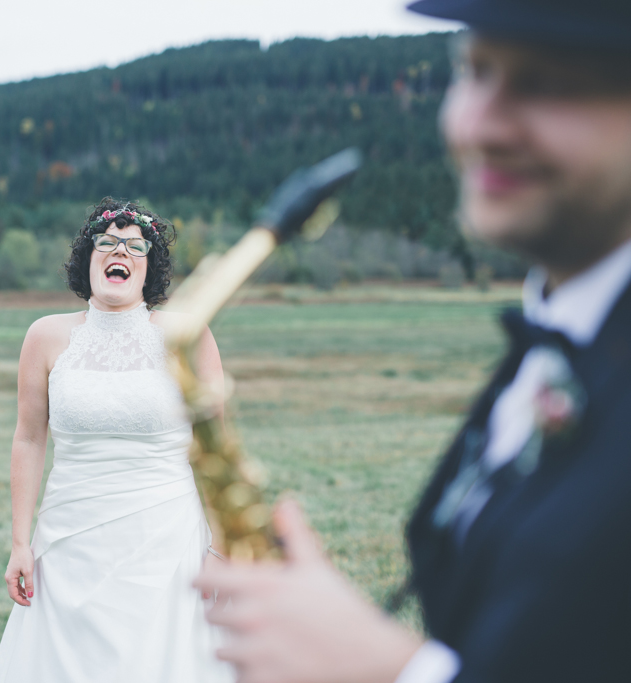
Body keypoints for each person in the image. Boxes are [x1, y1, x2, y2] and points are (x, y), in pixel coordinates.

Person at [195, 1, 631, 682]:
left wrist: (393, 670)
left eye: (546, 83)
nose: (479, 125)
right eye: (475, 71)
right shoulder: (559, 331)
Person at [0, 198, 234, 682]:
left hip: (167, 541)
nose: (119, 251)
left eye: (134, 246)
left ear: (148, 268)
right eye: (107, 242)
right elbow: (29, 439)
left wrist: (222, 546)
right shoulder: (45, 336)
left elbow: (216, 448)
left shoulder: (187, 335)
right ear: (88, 258)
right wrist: (20, 544)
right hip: (69, 542)